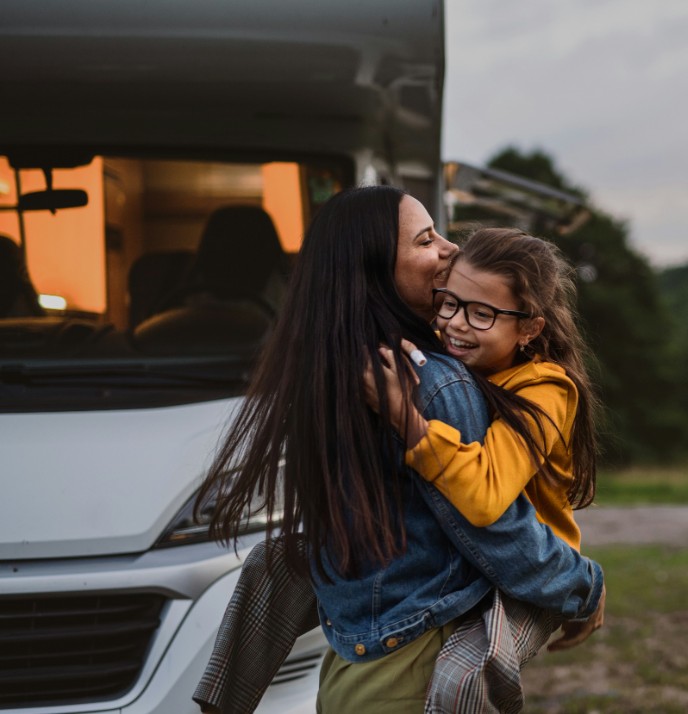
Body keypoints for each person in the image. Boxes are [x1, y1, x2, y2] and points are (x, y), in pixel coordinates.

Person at [191, 187, 604, 714]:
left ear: (530, 328)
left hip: (357, 661)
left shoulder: (336, 365)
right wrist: (582, 584)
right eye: (426, 239)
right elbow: (492, 526)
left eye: (480, 312)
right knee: (468, 676)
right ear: (375, 268)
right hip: (409, 662)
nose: (452, 249)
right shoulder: (431, 384)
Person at [368, 227, 601, 710]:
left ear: (529, 329)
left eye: (482, 314)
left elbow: (486, 494)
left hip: (531, 576)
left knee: (461, 680)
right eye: (449, 303)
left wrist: (407, 421)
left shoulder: (546, 390)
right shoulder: (452, 358)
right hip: (474, 564)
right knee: (274, 568)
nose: (454, 324)